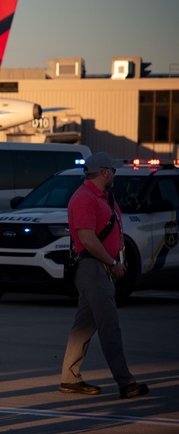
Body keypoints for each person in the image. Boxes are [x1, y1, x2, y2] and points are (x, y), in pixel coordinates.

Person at [59, 151, 149, 399]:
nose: (115, 175)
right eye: (113, 171)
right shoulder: (84, 198)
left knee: (83, 327)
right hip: (93, 268)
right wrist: (112, 262)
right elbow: (87, 240)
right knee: (109, 326)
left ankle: (70, 378)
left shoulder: (103, 197)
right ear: (104, 172)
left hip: (99, 267)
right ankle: (126, 382)